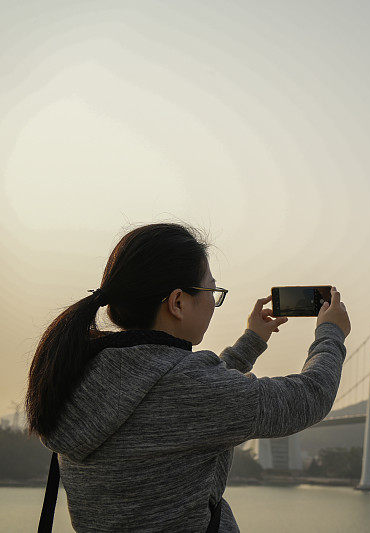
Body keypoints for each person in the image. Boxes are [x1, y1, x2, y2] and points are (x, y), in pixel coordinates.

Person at [25, 222, 351, 532]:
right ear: (178, 302)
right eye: (211, 290)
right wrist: (330, 333)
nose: (213, 302)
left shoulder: (80, 371)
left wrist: (251, 341)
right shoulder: (188, 388)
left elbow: (188, 402)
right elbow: (309, 396)